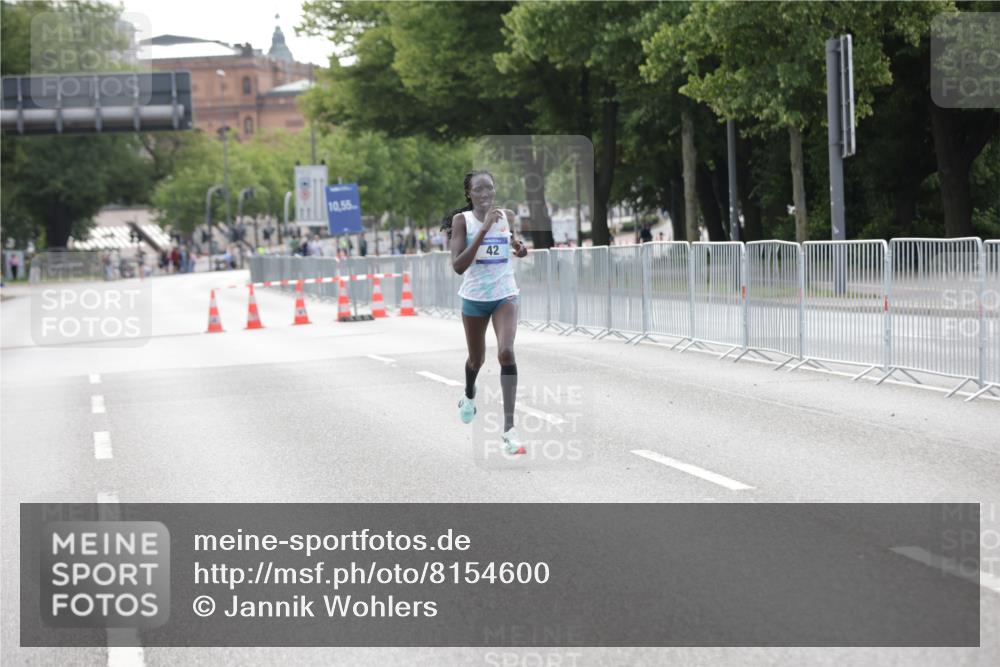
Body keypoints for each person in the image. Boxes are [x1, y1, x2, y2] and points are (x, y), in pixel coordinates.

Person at [443, 170, 529, 456]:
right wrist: (481, 231)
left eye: (489, 188)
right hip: (475, 298)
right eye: (479, 189)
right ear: (469, 193)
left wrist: (518, 248)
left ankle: (509, 430)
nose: (485, 194)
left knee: (506, 352)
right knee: (476, 360)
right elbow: (458, 265)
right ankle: (469, 394)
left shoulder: (504, 216)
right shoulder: (462, 222)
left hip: (505, 293)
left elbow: (508, 242)